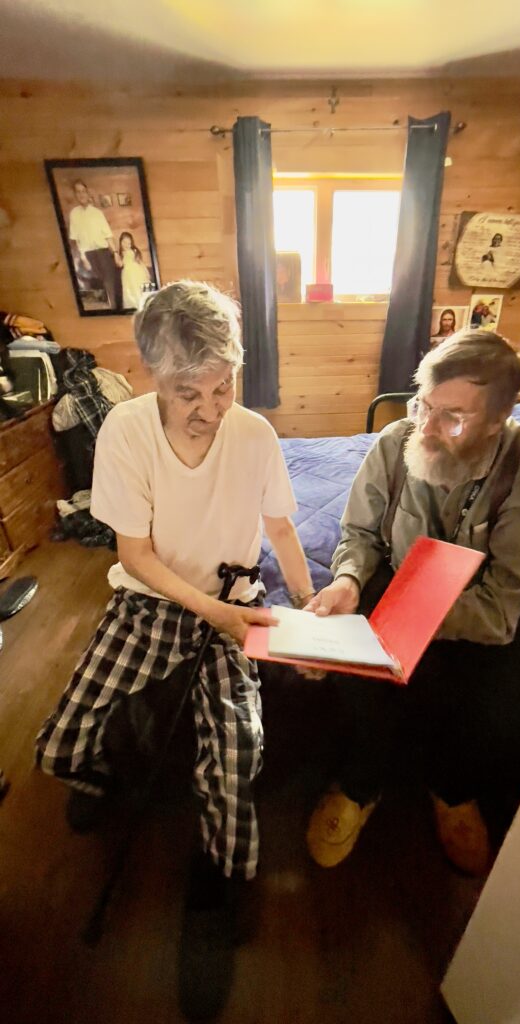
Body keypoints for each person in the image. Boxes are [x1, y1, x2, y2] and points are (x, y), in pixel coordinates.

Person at [35, 280, 314, 1018]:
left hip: (235, 600)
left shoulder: (252, 433)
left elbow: (282, 528)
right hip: (153, 598)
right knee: (59, 745)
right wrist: (211, 613)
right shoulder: (125, 430)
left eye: (225, 387)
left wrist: (310, 608)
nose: (213, 409)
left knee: (235, 755)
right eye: (191, 391)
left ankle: (214, 889)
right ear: (154, 374)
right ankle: (95, 771)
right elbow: (137, 554)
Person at [304, 330, 520, 877]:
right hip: (397, 585)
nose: (424, 427)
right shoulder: (396, 439)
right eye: (423, 404)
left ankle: (452, 789)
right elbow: (358, 532)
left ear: (498, 421)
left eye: (451, 416)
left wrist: (417, 621)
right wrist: (350, 581)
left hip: (474, 608)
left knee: (497, 700)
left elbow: (503, 600)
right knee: (353, 669)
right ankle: (362, 782)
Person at [68, 180, 122, 310]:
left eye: (83, 191)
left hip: (103, 252)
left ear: (87, 193)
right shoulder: (74, 214)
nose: (81, 194)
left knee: (110, 284)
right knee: (93, 287)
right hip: (87, 255)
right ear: (75, 195)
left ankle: (114, 310)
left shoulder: (97, 213)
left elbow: (108, 235)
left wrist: (115, 254)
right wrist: (82, 258)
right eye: (78, 191)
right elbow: (75, 240)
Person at [118, 230, 151, 309]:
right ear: (120, 242)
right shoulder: (121, 253)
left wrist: (146, 273)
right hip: (126, 274)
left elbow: (140, 263)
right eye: (124, 242)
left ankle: (139, 304)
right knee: (128, 290)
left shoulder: (132, 251)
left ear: (131, 244)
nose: (126, 245)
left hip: (135, 272)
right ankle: (132, 305)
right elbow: (120, 264)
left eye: (128, 243)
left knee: (136, 288)